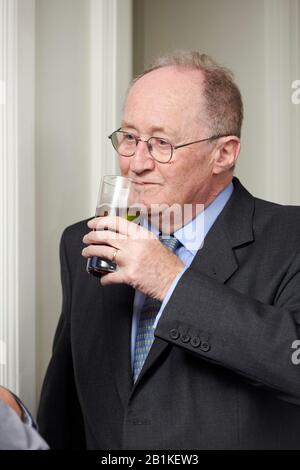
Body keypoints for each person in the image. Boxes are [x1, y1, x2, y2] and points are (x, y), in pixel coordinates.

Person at [36, 51, 300, 449]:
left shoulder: (290, 237)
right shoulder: (83, 241)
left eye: (161, 143)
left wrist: (171, 282)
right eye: (128, 137)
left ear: (223, 153)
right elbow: (64, 410)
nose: (136, 163)